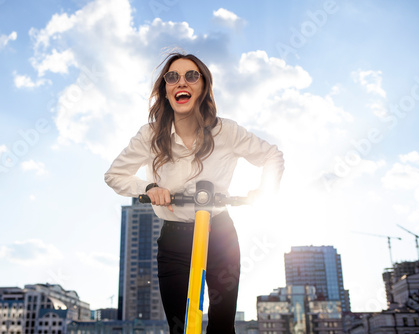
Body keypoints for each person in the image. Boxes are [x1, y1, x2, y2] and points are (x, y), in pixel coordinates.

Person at [105, 52, 284, 334]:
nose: (181, 82)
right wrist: (149, 188)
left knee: (222, 326)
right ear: (165, 90)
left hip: (220, 236)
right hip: (174, 239)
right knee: (180, 328)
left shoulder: (227, 131)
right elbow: (114, 175)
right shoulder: (149, 136)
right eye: (172, 77)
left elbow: (272, 156)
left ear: (203, 87)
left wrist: (264, 191)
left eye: (191, 75)